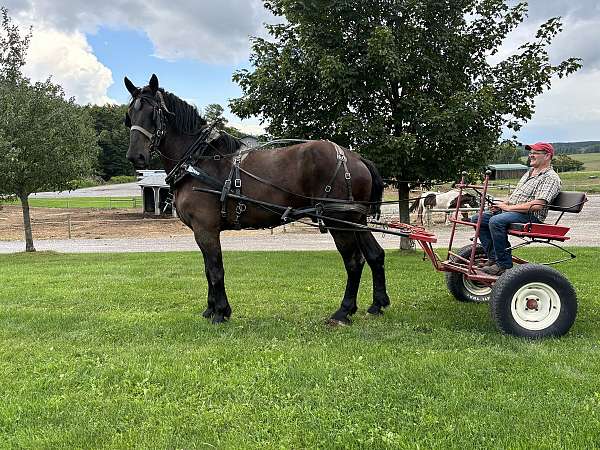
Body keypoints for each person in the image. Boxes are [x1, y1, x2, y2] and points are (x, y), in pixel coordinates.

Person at [475, 142, 561, 275]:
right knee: (478, 218)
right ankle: (493, 258)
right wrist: (502, 204)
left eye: (535, 152)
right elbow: (516, 196)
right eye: (530, 152)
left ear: (547, 156)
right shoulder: (529, 173)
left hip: (532, 216)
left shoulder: (550, 177)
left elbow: (537, 205)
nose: (531, 155)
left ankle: (503, 265)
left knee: (496, 221)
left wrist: (508, 208)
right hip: (515, 211)